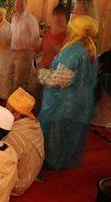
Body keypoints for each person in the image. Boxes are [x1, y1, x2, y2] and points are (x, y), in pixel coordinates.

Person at [37, 15, 98, 169]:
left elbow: (59, 80)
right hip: (81, 104)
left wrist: (39, 73)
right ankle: (65, 162)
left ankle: (52, 162)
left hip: (63, 104)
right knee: (72, 135)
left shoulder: (73, 51)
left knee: (58, 135)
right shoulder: (90, 49)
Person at [4, 87, 44, 196]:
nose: (4, 111)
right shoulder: (32, 121)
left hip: (19, 183)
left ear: (18, 114)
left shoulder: (14, 135)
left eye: (7, 109)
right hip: (29, 174)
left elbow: (3, 162)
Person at [11, 0, 40, 90]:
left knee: (19, 82)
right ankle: (12, 102)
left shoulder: (30, 19)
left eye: (21, 4)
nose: (18, 6)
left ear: (25, 4)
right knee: (11, 78)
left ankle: (17, 104)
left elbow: (35, 36)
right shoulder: (14, 17)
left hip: (24, 54)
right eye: (17, 4)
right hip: (13, 52)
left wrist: (31, 53)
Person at [37, 4, 68, 69]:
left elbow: (67, 55)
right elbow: (42, 46)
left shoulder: (67, 34)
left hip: (57, 70)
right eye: (56, 14)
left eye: (61, 14)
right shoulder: (49, 31)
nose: (58, 17)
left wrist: (55, 47)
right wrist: (33, 50)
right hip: (44, 68)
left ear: (65, 17)